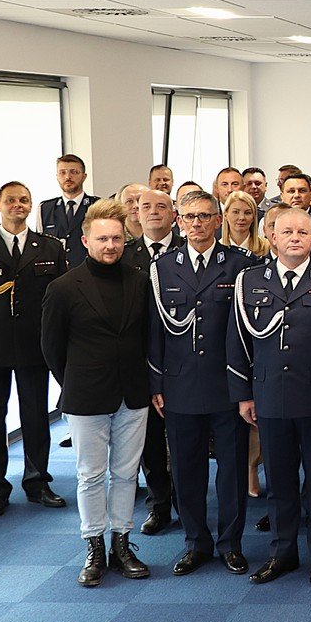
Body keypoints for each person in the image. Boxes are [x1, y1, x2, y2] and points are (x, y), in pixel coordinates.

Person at [40, 199, 152, 587]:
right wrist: (75, 379)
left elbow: (147, 337)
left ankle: (122, 544)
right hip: (86, 395)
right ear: (85, 240)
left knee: (125, 474)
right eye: (102, 239)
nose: (110, 245)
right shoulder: (63, 287)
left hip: (133, 392)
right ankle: (94, 548)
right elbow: (51, 348)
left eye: (116, 239)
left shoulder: (139, 280)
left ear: (125, 240)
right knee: (90, 475)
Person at [228, 208, 311, 586]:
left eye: (302, 232)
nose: (294, 237)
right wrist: (244, 394)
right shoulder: (249, 280)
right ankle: (283, 552)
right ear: (272, 237)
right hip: (269, 395)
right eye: (286, 231)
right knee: (279, 481)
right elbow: (237, 341)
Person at [149, 189, 256, 576]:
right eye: (190, 217)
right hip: (179, 385)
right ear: (179, 221)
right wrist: (156, 382)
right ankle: (196, 542)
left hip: (228, 384)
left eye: (205, 216)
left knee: (232, 469)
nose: (197, 223)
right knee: (185, 469)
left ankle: (230, 543)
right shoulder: (162, 268)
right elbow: (155, 331)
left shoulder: (240, 265)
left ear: (218, 220)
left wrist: (247, 386)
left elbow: (248, 331)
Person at [0, 181, 68, 518]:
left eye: (24, 200)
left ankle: (37, 483)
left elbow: (61, 302)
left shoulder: (49, 247)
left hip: (34, 348)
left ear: (31, 205)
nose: (17, 205)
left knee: (36, 418)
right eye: (10, 200)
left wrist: (61, 348)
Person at [121, 189, 182, 535]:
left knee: (186, 440)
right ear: (136, 214)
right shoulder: (125, 255)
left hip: (183, 360)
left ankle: (187, 504)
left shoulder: (188, 251)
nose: (153, 212)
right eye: (146, 206)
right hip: (141, 361)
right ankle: (159, 505)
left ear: (174, 214)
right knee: (151, 441)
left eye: (162, 206)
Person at [39, 154, 96, 270]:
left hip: (88, 271)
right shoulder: (45, 208)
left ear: (84, 176)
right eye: (62, 172)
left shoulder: (96, 205)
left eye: (74, 172)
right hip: (56, 274)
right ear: (57, 176)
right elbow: (41, 246)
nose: (68, 177)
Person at [220, 190, 270, 259]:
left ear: (253, 217)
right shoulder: (217, 249)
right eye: (236, 212)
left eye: (247, 213)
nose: (242, 218)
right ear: (225, 215)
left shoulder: (266, 247)